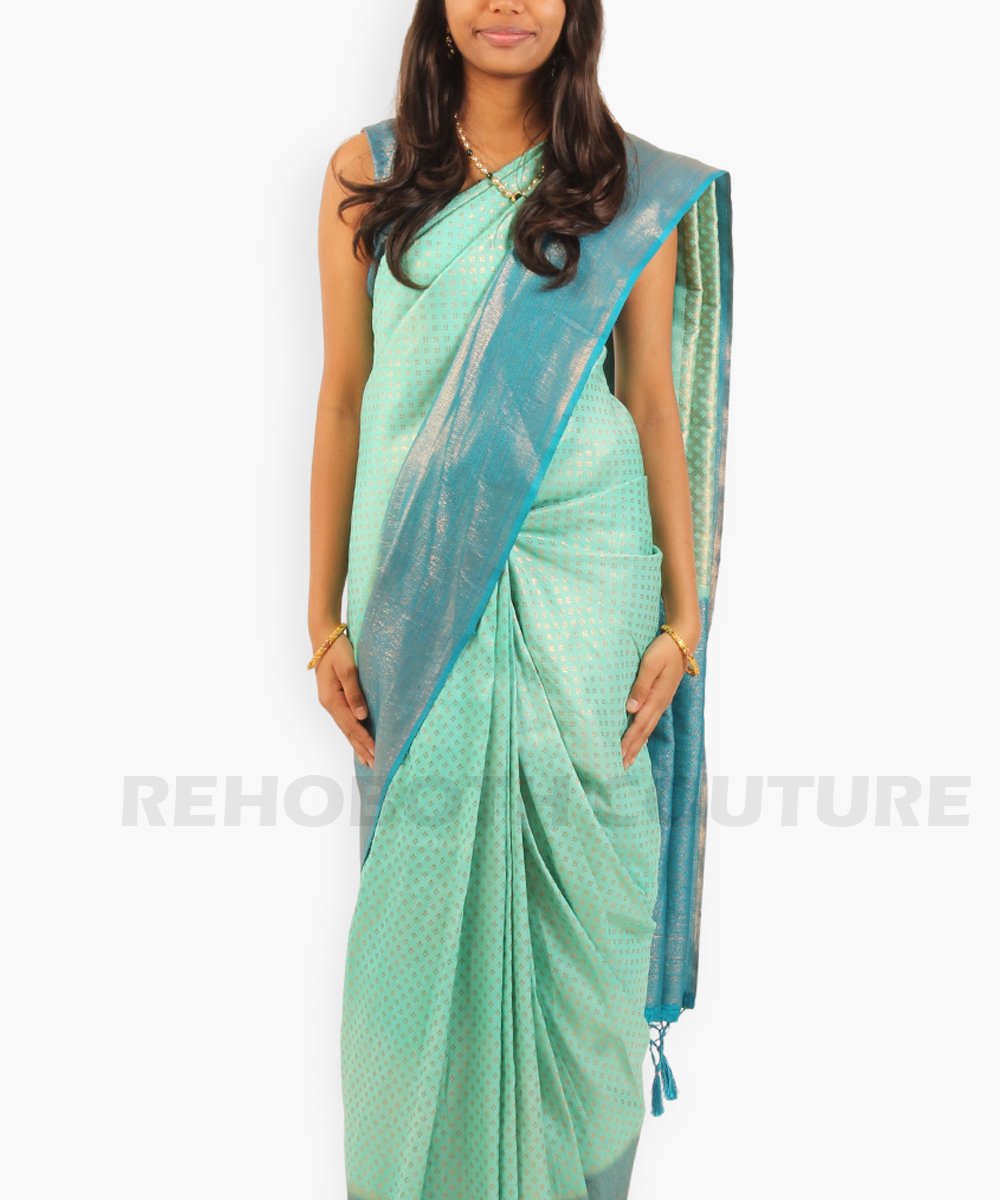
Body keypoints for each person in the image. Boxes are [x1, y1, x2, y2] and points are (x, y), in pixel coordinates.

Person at [307, 2, 733, 1196]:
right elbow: (343, 394)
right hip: (418, 587)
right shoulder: (366, 172)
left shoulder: (625, 187)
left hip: (588, 581)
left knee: (587, 904)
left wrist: (683, 619)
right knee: (413, 918)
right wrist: (322, 618)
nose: (508, 2)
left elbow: (650, 403)